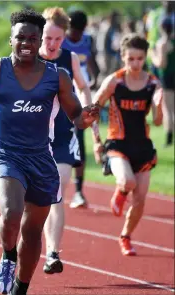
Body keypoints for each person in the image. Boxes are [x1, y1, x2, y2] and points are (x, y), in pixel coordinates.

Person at [0, 9, 99, 295]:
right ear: (11, 40)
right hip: (6, 154)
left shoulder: (56, 76)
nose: (26, 43)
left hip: (41, 159)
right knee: (12, 213)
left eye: (32, 38)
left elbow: (75, 115)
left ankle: (20, 289)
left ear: (39, 42)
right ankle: (8, 256)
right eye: (20, 37)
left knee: (33, 232)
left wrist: (86, 117)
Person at [92, 33, 163, 256]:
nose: (135, 64)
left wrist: (159, 106)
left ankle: (125, 236)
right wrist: (97, 142)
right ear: (123, 57)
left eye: (139, 59)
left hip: (142, 146)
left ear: (145, 58)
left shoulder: (153, 83)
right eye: (130, 58)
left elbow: (159, 121)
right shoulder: (114, 81)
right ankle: (121, 190)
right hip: (117, 143)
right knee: (127, 181)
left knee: (141, 200)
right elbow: (93, 110)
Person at [38, 7, 92, 274]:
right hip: (33, 139)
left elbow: (83, 85)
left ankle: (52, 254)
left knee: (56, 194)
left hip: (63, 136)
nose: (52, 45)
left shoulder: (69, 58)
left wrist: (88, 111)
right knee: (33, 201)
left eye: (58, 39)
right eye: (48, 38)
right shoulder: (27, 58)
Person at [61, 10, 100, 209]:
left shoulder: (86, 40)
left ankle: (78, 191)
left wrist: (93, 79)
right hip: (62, 97)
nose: (75, 35)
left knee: (80, 139)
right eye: (73, 31)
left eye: (79, 31)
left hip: (80, 96)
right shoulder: (61, 42)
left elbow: (92, 61)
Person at [149, 17, 175, 146]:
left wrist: (152, 55)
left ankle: (169, 138)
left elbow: (162, 63)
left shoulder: (162, 43)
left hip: (167, 77)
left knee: (168, 109)